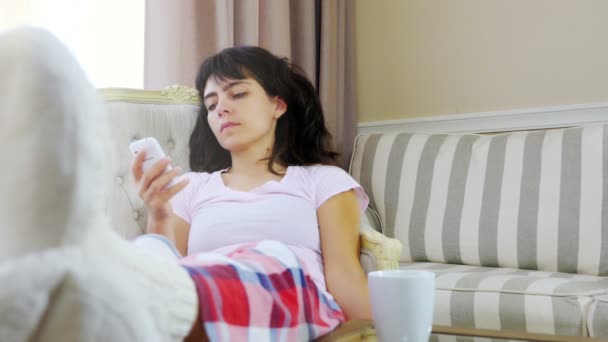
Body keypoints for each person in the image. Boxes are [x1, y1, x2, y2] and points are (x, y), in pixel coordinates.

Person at [131, 46, 372, 340]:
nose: (221, 108)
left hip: (291, 295)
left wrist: (380, 332)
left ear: (277, 106)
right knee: (144, 264)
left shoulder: (323, 181)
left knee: (267, 256)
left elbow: (344, 275)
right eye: (211, 104)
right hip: (200, 299)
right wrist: (158, 213)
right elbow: (166, 273)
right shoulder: (190, 187)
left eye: (238, 94)